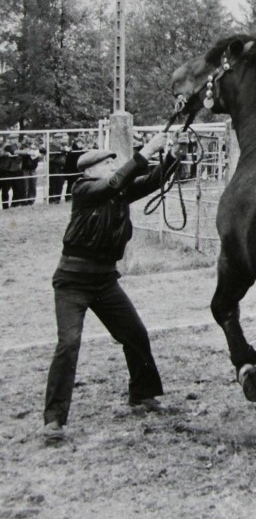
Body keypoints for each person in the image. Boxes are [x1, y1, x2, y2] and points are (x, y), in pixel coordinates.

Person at [42, 132, 187, 445]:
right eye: (108, 164)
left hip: (105, 280)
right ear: (90, 171)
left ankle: (143, 396)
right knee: (68, 344)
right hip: (72, 279)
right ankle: (53, 420)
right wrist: (147, 150)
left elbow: (152, 181)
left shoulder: (117, 192)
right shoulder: (85, 189)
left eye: (114, 163)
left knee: (135, 334)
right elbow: (114, 183)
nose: (113, 167)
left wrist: (174, 154)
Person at [47, 133, 71, 204]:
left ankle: (58, 198)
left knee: (60, 182)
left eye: (60, 138)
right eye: (57, 139)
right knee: (53, 183)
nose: (59, 140)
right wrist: (63, 149)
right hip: (54, 166)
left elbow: (68, 150)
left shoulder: (62, 145)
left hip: (61, 167)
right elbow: (54, 154)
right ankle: (52, 199)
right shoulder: (51, 146)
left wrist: (66, 149)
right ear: (53, 139)